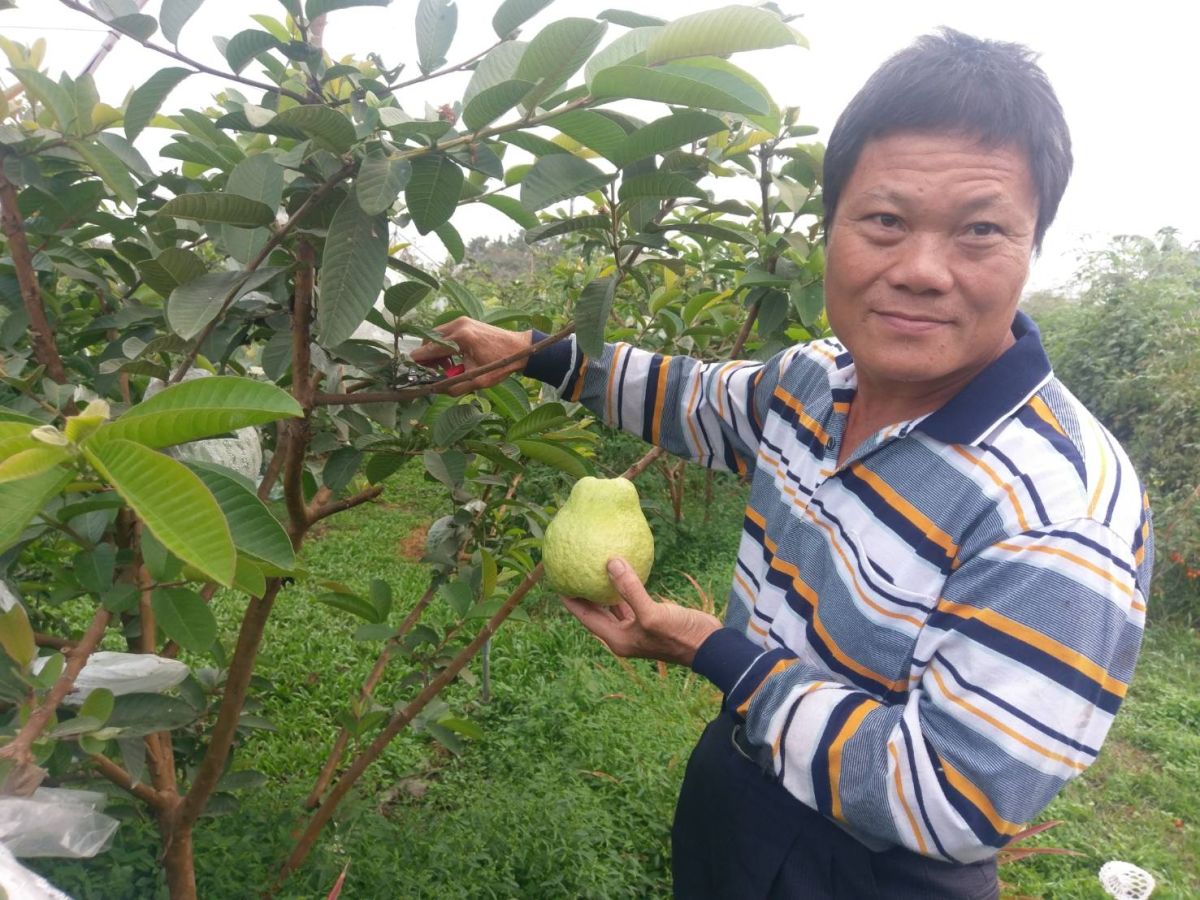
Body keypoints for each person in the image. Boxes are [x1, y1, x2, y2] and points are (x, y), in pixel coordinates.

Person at [410, 28, 1153, 900]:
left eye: (980, 230)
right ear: (829, 228)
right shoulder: (816, 382)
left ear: (1034, 247)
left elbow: (954, 801)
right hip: (742, 773)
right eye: (884, 220)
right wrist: (535, 353)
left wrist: (711, 653)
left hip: (880, 871)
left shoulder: (1062, 508)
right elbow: (684, 394)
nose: (920, 270)